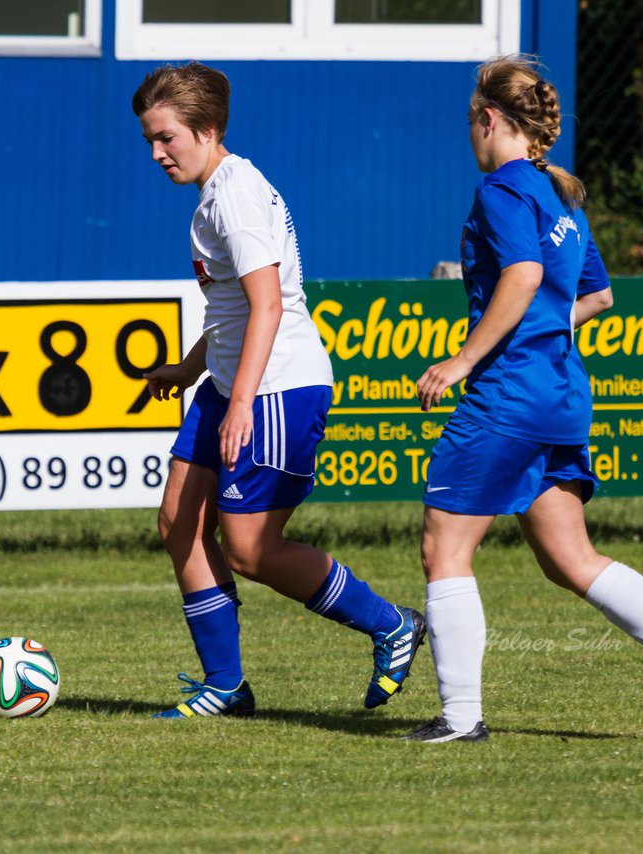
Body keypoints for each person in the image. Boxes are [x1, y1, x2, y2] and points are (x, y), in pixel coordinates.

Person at [403, 56, 643, 744]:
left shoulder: (502, 189)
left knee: (444, 547)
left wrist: (464, 359)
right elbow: (599, 297)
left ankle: (461, 719)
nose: (470, 133)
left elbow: (524, 275)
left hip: (509, 393)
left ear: (490, 119)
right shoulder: (559, 196)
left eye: (472, 120)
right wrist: (538, 327)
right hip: (559, 392)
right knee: (568, 558)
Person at [132, 61, 426, 719]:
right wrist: (189, 370)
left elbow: (268, 306)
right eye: (150, 139)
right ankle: (226, 687)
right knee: (179, 522)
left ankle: (390, 624)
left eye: (166, 137)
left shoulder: (234, 195)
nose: (156, 153)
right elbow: (236, 310)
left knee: (249, 547)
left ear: (206, 129)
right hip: (231, 385)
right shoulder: (220, 190)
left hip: (274, 391)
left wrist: (238, 407)